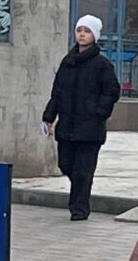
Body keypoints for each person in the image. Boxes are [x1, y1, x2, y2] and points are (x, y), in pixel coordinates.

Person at [42, 14, 121, 220]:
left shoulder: (102, 65)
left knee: (83, 171)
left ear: (95, 36)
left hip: (89, 128)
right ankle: (79, 196)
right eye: (79, 30)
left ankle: (79, 209)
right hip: (67, 125)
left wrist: (100, 112)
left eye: (87, 31)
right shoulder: (67, 62)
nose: (82, 35)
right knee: (66, 164)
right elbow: (57, 92)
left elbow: (112, 91)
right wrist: (49, 117)